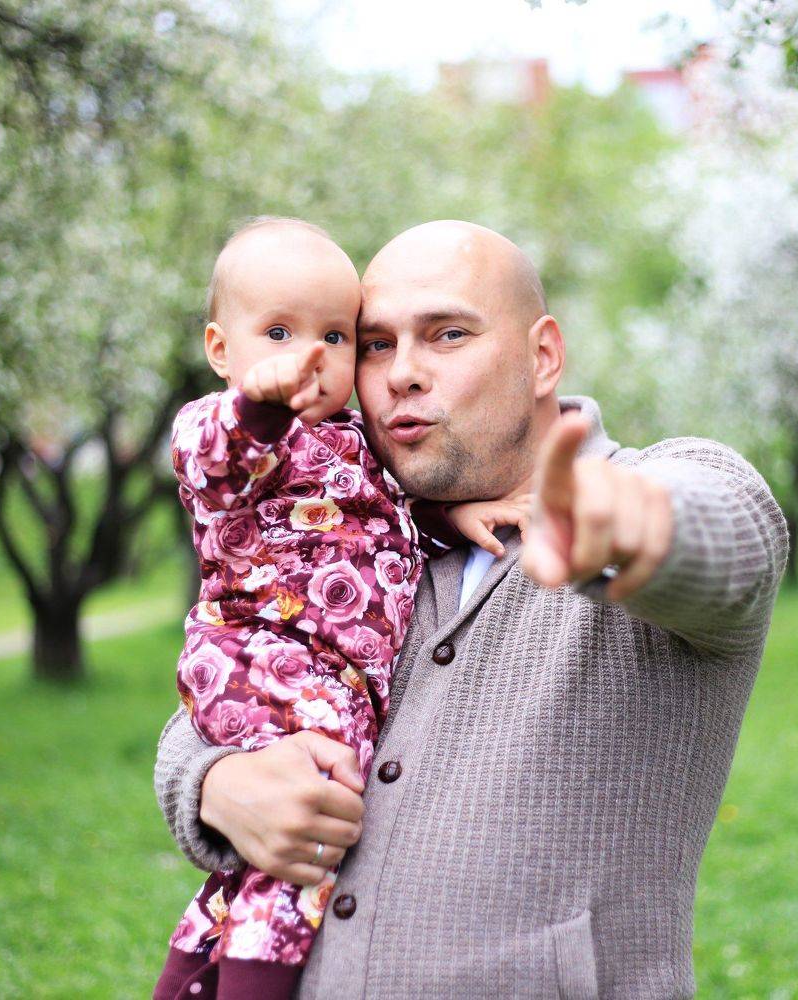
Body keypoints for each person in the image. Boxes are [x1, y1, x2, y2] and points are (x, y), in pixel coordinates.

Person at [154, 220, 790, 999]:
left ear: (542, 354)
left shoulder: (658, 484)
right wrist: (213, 785)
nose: (402, 374)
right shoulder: (358, 524)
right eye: (376, 344)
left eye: (448, 334)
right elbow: (232, 691)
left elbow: (728, 537)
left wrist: (625, 523)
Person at [163, 217, 527, 999]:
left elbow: (386, 520)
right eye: (279, 333)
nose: (311, 356)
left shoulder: (357, 441)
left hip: (328, 679)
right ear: (221, 348)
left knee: (266, 857)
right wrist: (258, 405)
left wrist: (451, 517)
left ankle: (191, 973)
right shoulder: (235, 434)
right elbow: (213, 461)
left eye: (336, 336)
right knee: (311, 829)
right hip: (263, 658)